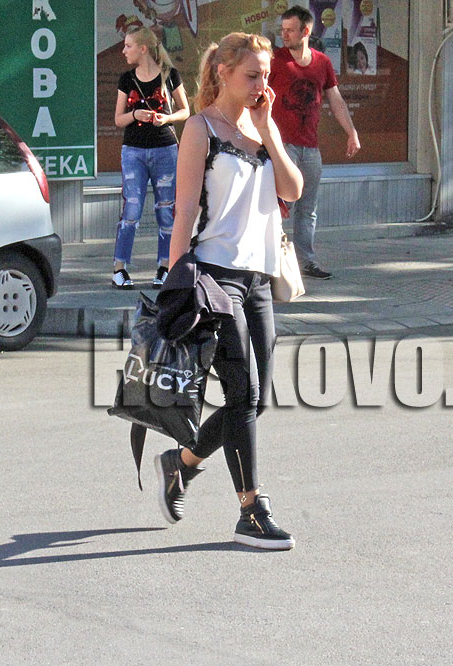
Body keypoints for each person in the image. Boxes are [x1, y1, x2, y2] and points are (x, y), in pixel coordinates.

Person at [156, 32, 303, 550]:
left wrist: (268, 129)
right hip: (214, 278)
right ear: (223, 72)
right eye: (252, 74)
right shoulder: (201, 129)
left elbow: (292, 190)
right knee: (242, 395)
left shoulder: (261, 127)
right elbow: (184, 211)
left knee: (255, 401)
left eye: (267, 75)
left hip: (258, 277)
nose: (262, 83)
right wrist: (175, 283)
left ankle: (181, 463)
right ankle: (251, 510)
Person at [269, 5, 361, 280]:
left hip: (310, 146)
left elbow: (336, 100)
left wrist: (351, 132)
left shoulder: (322, 63)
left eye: (290, 30)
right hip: (282, 146)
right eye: (282, 30)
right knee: (280, 206)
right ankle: (271, 264)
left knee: (307, 209)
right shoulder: (274, 60)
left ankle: (306, 262)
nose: (284, 35)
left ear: (305, 31)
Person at [112, 26, 189, 290]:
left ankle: (165, 267)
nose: (124, 51)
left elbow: (185, 111)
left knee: (166, 209)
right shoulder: (126, 79)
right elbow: (118, 119)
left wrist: (166, 118)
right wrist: (135, 115)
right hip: (133, 150)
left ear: (143, 49)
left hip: (165, 148)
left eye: (128, 46)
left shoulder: (170, 75)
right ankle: (119, 268)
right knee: (131, 209)